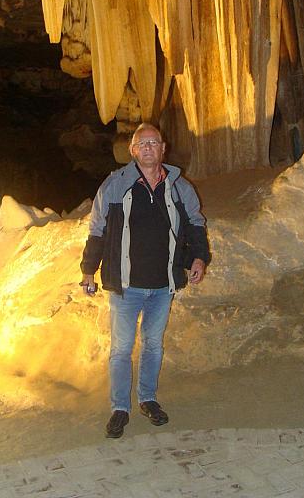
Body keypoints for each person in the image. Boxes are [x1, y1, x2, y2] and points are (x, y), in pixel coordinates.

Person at [80, 123, 210, 438]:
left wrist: (199, 257)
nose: (149, 147)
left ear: (163, 148)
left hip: (163, 284)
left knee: (153, 345)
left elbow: (195, 222)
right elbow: (97, 229)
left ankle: (148, 399)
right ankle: (119, 408)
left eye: (154, 142)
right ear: (134, 150)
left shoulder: (179, 186)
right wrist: (87, 269)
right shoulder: (115, 185)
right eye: (143, 143)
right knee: (122, 348)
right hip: (126, 286)